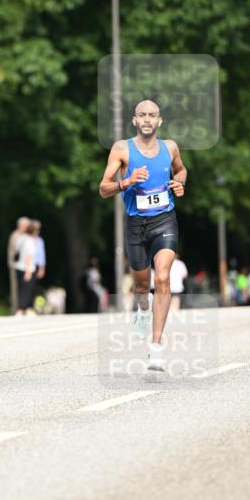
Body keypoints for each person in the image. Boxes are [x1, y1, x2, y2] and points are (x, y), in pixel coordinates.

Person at [99, 97, 188, 372]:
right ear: (135, 121)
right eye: (142, 115)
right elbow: (103, 188)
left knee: (162, 277)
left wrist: (179, 182)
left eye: (152, 115)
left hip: (164, 220)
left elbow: (182, 169)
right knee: (141, 287)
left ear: (159, 121)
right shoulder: (121, 149)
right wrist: (127, 181)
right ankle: (143, 309)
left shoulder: (170, 147)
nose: (148, 119)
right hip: (136, 224)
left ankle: (156, 346)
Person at [13, 220, 37, 316]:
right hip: (27, 268)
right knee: (27, 289)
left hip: (18, 266)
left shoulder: (20, 238)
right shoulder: (30, 241)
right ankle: (23, 308)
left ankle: (20, 308)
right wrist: (28, 271)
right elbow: (28, 256)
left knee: (20, 288)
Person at [7, 216, 30, 314]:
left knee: (25, 287)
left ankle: (24, 307)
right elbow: (12, 251)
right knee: (15, 287)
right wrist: (11, 264)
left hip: (26, 265)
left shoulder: (28, 236)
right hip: (16, 265)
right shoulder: (15, 235)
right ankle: (15, 308)